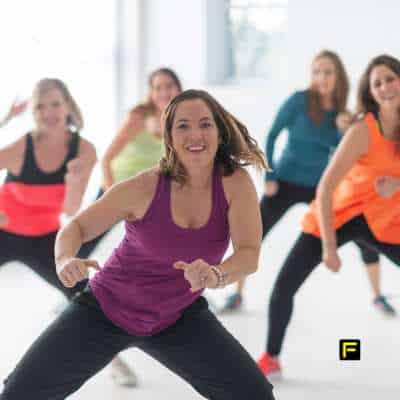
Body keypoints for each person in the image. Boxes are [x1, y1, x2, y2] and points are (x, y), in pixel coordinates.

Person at [0, 89, 275, 400]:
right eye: (182, 125)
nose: (195, 133)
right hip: (105, 309)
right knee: (18, 393)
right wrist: (65, 259)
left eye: (205, 124)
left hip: (178, 314)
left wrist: (215, 275)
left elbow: (249, 254)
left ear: (219, 130)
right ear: (169, 137)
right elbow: (76, 227)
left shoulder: (234, 183)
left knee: (255, 395)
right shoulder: (144, 187)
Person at [221, 50, 395, 316]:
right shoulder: (298, 102)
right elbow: (272, 134)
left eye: (327, 72)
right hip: (286, 181)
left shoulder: (342, 115)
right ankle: (236, 292)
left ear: (338, 77)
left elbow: (347, 157)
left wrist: (343, 130)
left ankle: (377, 295)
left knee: (365, 237)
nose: (321, 78)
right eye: (316, 72)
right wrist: (269, 176)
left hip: (319, 186)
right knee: (255, 232)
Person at [257, 54, 400, 378]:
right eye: (377, 83)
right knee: (283, 286)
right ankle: (271, 357)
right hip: (339, 213)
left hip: (382, 220)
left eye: (390, 78)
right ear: (371, 91)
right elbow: (324, 189)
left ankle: (378, 296)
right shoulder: (363, 129)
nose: (385, 87)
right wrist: (329, 248)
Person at [0, 78, 132, 386]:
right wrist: (5, 119)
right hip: (4, 233)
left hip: (45, 238)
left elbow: (71, 210)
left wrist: (74, 180)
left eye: (55, 104)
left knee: (88, 297)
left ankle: (115, 360)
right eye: (40, 107)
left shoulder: (84, 150)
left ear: (69, 107)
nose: (48, 113)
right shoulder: (24, 146)